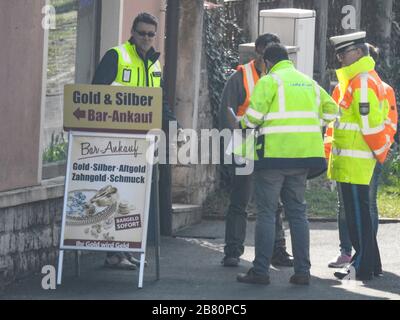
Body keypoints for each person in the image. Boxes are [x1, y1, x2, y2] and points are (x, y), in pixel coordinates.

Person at [236, 43, 338, 285]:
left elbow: (252, 119)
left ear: (268, 62)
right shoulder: (308, 83)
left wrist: (241, 123)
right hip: (303, 158)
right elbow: (332, 109)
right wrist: (317, 123)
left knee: (267, 213)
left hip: (273, 157)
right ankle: (302, 271)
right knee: (298, 214)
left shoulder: (270, 81)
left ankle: (261, 271)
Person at [92, 12, 178, 270]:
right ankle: (112, 253)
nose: (146, 38)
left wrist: (174, 126)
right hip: (115, 142)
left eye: (151, 34)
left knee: (133, 199)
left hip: (143, 144)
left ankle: (125, 250)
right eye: (142, 33)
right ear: (132, 32)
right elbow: (95, 94)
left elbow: (160, 101)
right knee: (115, 197)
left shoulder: (155, 64)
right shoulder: (116, 56)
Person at [219, 34, 294, 268]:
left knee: (275, 204)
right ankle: (232, 251)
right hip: (245, 148)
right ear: (257, 52)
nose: (267, 60)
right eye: (264, 54)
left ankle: (278, 251)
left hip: (272, 148)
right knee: (240, 201)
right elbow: (226, 112)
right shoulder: (240, 77)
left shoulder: (281, 77)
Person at [326, 43, 398, 269]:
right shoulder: (358, 81)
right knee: (360, 216)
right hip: (353, 161)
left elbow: (371, 125)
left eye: (343, 53)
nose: (339, 58)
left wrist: (379, 152)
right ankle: (369, 263)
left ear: (358, 53)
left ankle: (362, 265)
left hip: (358, 162)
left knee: (358, 217)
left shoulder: (362, 82)